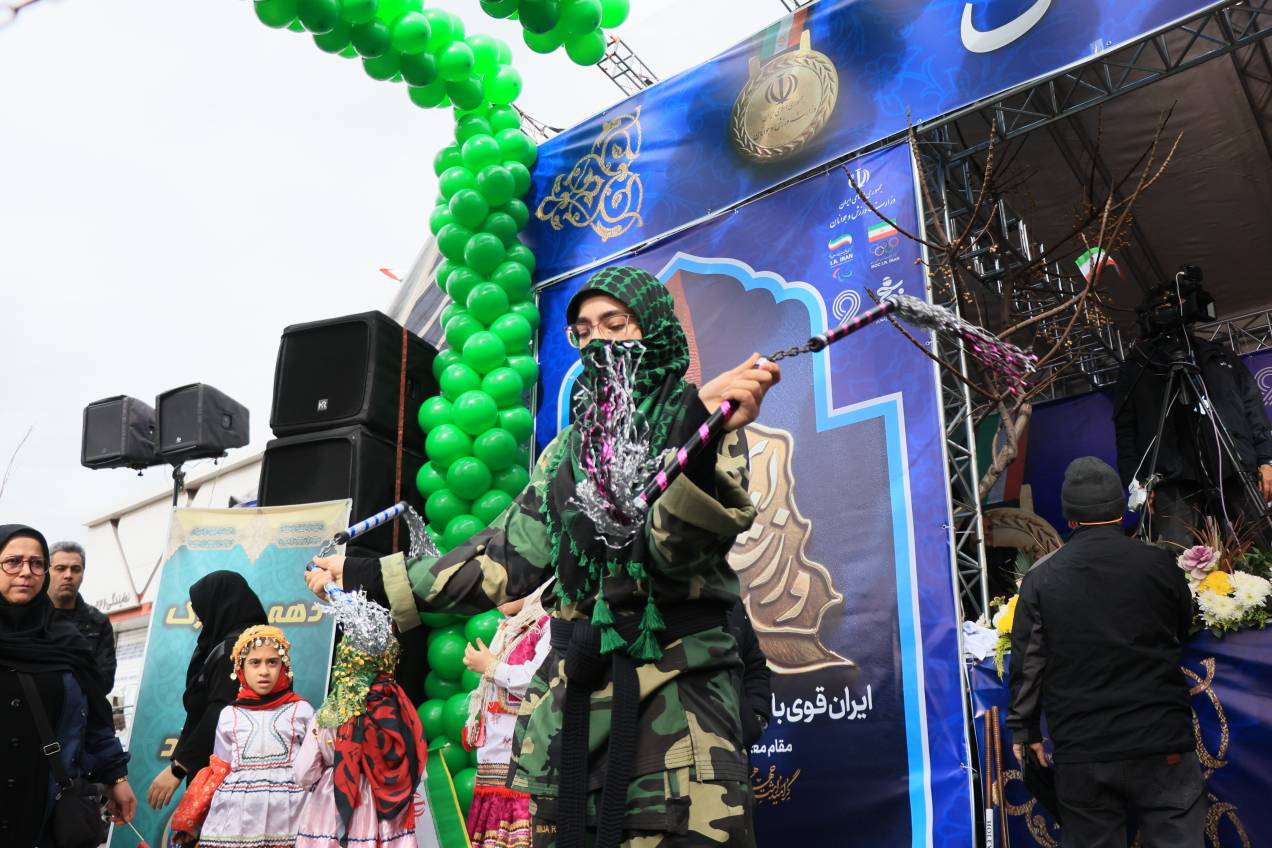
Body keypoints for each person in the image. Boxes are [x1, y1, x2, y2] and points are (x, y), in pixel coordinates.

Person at [307, 265, 781, 847]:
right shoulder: (567, 450)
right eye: (584, 330)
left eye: (616, 323)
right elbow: (503, 560)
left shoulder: (704, 418)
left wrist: (690, 431)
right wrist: (367, 574)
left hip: (675, 706)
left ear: (654, 327)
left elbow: (670, 550)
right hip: (572, 712)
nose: (599, 341)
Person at [1007, 457, 1202, 847]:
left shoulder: (1041, 579)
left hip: (1084, 751)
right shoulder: (1160, 564)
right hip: (1162, 742)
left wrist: (1025, 730)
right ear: (1120, 510)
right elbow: (1182, 629)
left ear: (1069, 517)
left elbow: (1028, 662)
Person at [0, 524, 135, 846]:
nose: (26, 572)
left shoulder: (67, 640)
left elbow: (94, 714)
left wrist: (115, 776)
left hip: (45, 802)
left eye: (36, 564)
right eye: (13, 562)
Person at [1114, 284, 1272, 545]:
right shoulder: (1137, 367)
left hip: (1235, 465)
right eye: (1166, 308)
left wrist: (1267, 460)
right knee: (1178, 556)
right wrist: (1136, 483)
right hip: (1170, 478)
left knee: (1263, 547)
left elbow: (1252, 407)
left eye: (1179, 305)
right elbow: (1126, 429)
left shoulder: (1219, 355)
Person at [175, 625, 314, 848]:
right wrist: (195, 816)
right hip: (238, 818)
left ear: (284, 666)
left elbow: (315, 766)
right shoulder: (230, 715)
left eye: (272, 662)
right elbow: (220, 769)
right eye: (255, 662)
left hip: (292, 813)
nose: (264, 671)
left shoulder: (301, 710)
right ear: (240, 668)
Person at [292, 634, 431, 848]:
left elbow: (304, 773)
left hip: (332, 804)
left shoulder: (330, 712)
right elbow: (419, 769)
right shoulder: (400, 710)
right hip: (387, 809)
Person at [148, 570, 268, 811]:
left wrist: (179, 767)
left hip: (229, 781)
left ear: (219, 605)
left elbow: (221, 712)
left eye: (202, 611)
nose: (201, 620)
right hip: (246, 777)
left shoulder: (236, 650)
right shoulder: (260, 646)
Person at [461, 583, 554, 848]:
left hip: (524, 764)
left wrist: (491, 666)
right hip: (494, 764)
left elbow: (540, 680)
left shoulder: (548, 624)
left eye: (511, 582)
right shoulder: (512, 627)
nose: (500, 592)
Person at [48, 540, 117, 691]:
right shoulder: (30, 616)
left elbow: (105, 680)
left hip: (84, 703)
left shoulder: (98, 622)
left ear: (83, 573)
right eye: (60, 568)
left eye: (75, 569)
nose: (68, 575)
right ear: (47, 571)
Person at [726, 598, 771, 750]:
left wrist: (756, 716)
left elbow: (754, 667)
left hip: (735, 752)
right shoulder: (658, 605)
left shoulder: (731, 602)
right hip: (671, 751)